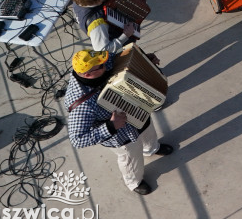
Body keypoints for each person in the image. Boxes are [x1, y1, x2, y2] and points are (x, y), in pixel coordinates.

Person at [65, 49, 173, 195]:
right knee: (130, 158)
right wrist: (111, 126)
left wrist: (145, 60)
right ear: (88, 75)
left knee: (148, 130)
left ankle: (151, 149)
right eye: (100, 66)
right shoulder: (82, 104)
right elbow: (77, 139)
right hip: (121, 134)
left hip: (136, 110)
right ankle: (134, 182)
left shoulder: (99, 64)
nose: (105, 64)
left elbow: (117, 59)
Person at [71, 0, 137, 53]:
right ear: (94, 1)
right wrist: (125, 35)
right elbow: (102, 50)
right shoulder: (98, 25)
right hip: (121, 47)